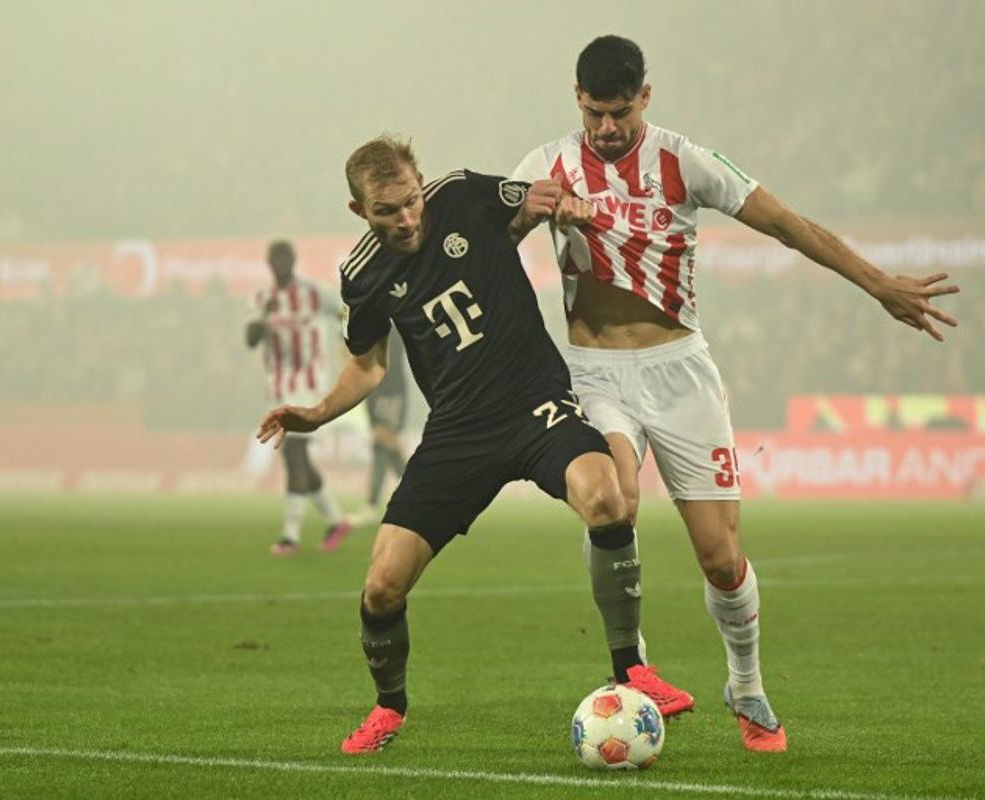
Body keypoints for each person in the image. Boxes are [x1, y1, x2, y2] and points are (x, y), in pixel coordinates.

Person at [512, 35, 961, 753]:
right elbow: (491, 240)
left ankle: (745, 684)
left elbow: (787, 224)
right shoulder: (544, 166)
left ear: (645, 99)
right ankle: (632, 665)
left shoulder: (685, 160)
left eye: (619, 113)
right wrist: (526, 214)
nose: (605, 129)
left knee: (721, 558)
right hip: (596, 373)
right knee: (612, 499)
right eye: (594, 113)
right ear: (577, 100)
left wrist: (880, 284)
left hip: (680, 371)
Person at [256, 135, 691, 754]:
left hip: (535, 404)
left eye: (410, 202)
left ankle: (632, 669)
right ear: (359, 211)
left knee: (609, 499)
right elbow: (369, 366)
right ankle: (389, 708)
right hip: (458, 433)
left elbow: (530, 199)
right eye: (388, 211)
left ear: (420, 184)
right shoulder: (363, 275)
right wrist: (318, 413)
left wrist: (558, 203)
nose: (406, 219)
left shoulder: (460, 194)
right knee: (381, 587)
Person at [246, 239, 353, 556]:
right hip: (279, 387)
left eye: (286, 259)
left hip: (309, 385)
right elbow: (251, 340)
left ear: (293, 262)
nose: (281, 265)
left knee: (294, 455)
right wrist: (262, 317)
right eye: (275, 260)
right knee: (298, 457)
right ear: (269, 264)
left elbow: (344, 312)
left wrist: (347, 340)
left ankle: (290, 535)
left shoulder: (313, 293)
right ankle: (336, 520)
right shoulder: (262, 298)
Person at [349, 331, 410, 525]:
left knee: (384, 445)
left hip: (392, 391)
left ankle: (372, 505)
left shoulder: (395, 330)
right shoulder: (374, 326)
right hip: (375, 389)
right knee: (382, 447)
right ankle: (418, 489)